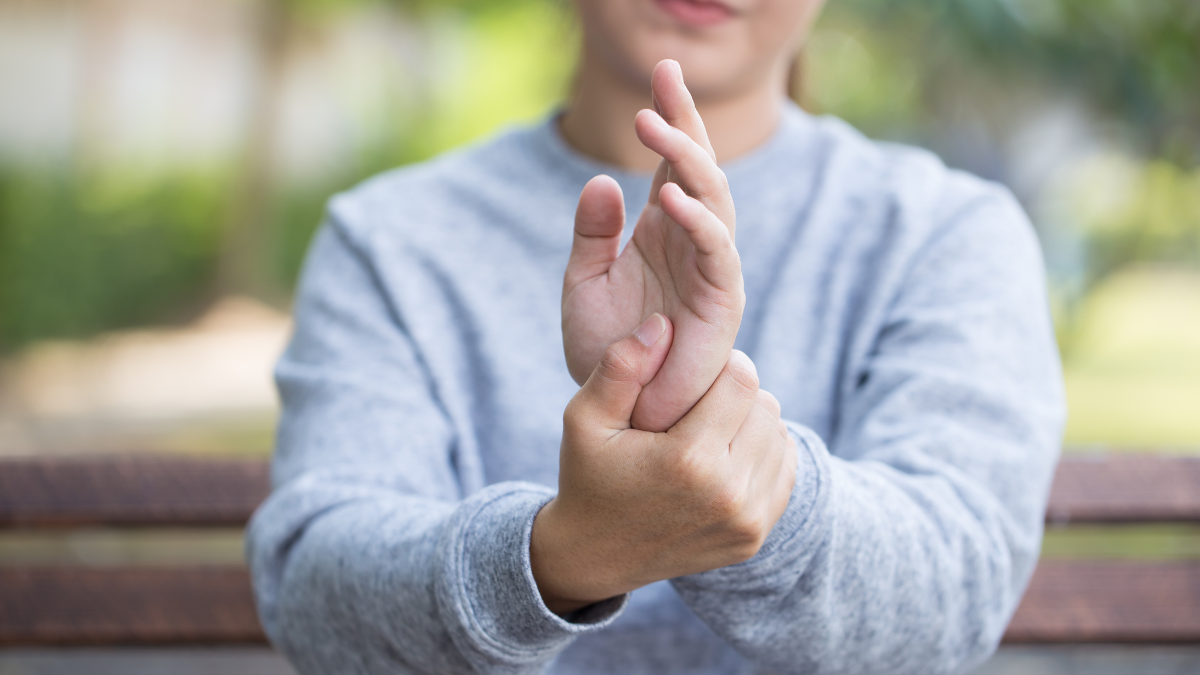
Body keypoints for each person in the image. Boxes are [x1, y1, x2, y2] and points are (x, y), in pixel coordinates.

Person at [246, 0, 1065, 673]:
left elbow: (953, 585)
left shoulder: (947, 233)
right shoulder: (388, 239)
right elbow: (318, 587)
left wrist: (709, 451)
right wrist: (559, 556)